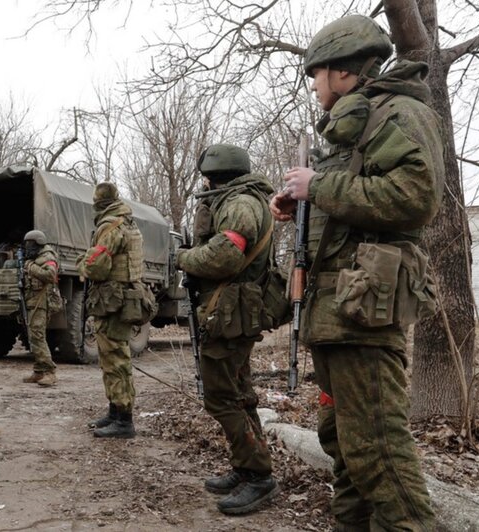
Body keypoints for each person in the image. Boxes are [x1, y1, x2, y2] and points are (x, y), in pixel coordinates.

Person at [270, 14, 443, 531]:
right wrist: (299, 200)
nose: (314, 85)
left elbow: (416, 197)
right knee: (343, 443)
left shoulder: (399, 112)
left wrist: (319, 187)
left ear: (342, 71)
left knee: (378, 453)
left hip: (362, 316)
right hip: (337, 315)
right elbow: (355, 199)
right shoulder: (356, 124)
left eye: (316, 74)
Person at [175, 144, 279, 515]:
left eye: (207, 176)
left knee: (221, 396)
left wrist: (183, 258)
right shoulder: (240, 200)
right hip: (229, 312)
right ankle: (247, 466)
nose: (204, 182)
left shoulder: (240, 204)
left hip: (231, 315)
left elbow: (224, 255)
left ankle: (259, 475)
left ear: (216, 176)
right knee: (238, 393)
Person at [77, 182, 143, 439]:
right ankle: (115, 412)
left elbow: (97, 267)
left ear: (98, 204)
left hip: (113, 301)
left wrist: (82, 264)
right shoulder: (127, 222)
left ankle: (124, 420)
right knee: (113, 357)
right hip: (121, 299)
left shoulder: (110, 226)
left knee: (115, 358)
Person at [20, 230, 61, 387]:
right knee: (33, 336)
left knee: (37, 334)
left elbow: (50, 275)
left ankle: (50, 371)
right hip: (33, 301)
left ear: (38, 243)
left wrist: (30, 267)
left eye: (30, 244)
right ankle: (39, 370)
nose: (27, 247)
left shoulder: (47, 257)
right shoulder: (34, 258)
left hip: (42, 302)